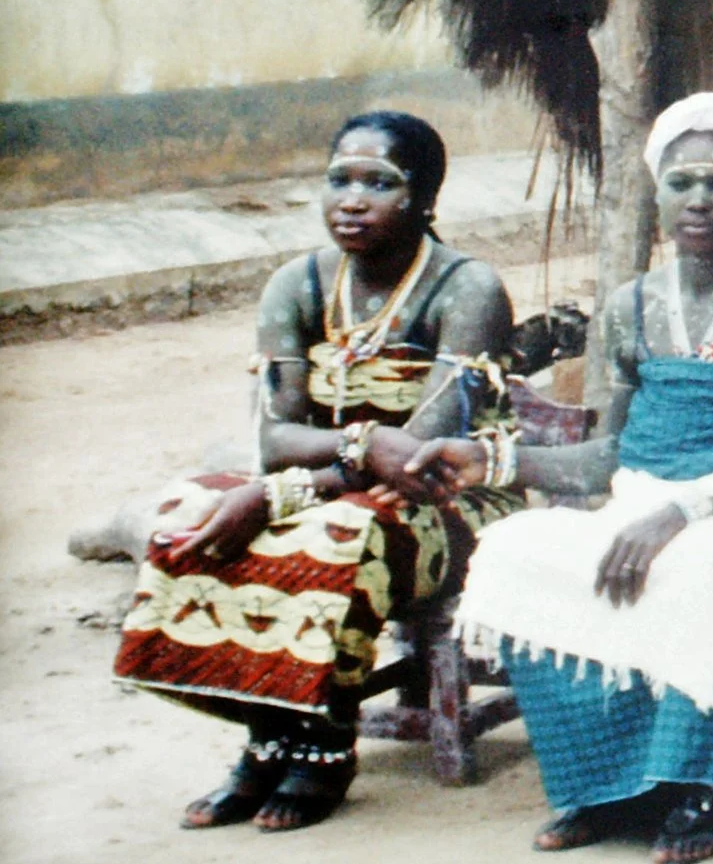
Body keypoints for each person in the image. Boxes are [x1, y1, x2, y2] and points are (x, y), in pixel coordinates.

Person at [412, 93, 713, 864]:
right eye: (681, 182)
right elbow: (605, 457)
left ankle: (689, 788)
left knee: (696, 563)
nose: (700, 199)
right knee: (517, 548)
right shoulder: (628, 307)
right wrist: (494, 461)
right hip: (646, 502)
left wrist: (684, 508)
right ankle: (598, 787)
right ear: (658, 193)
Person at [113, 110, 521, 832]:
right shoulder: (297, 284)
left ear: (425, 196)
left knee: (339, 534)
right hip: (344, 483)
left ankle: (325, 748)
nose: (352, 199)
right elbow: (275, 438)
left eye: (380, 182)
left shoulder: (468, 288)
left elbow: (423, 457)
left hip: (459, 500)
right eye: (339, 178)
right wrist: (347, 453)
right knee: (187, 511)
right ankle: (267, 737)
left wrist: (285, 488)